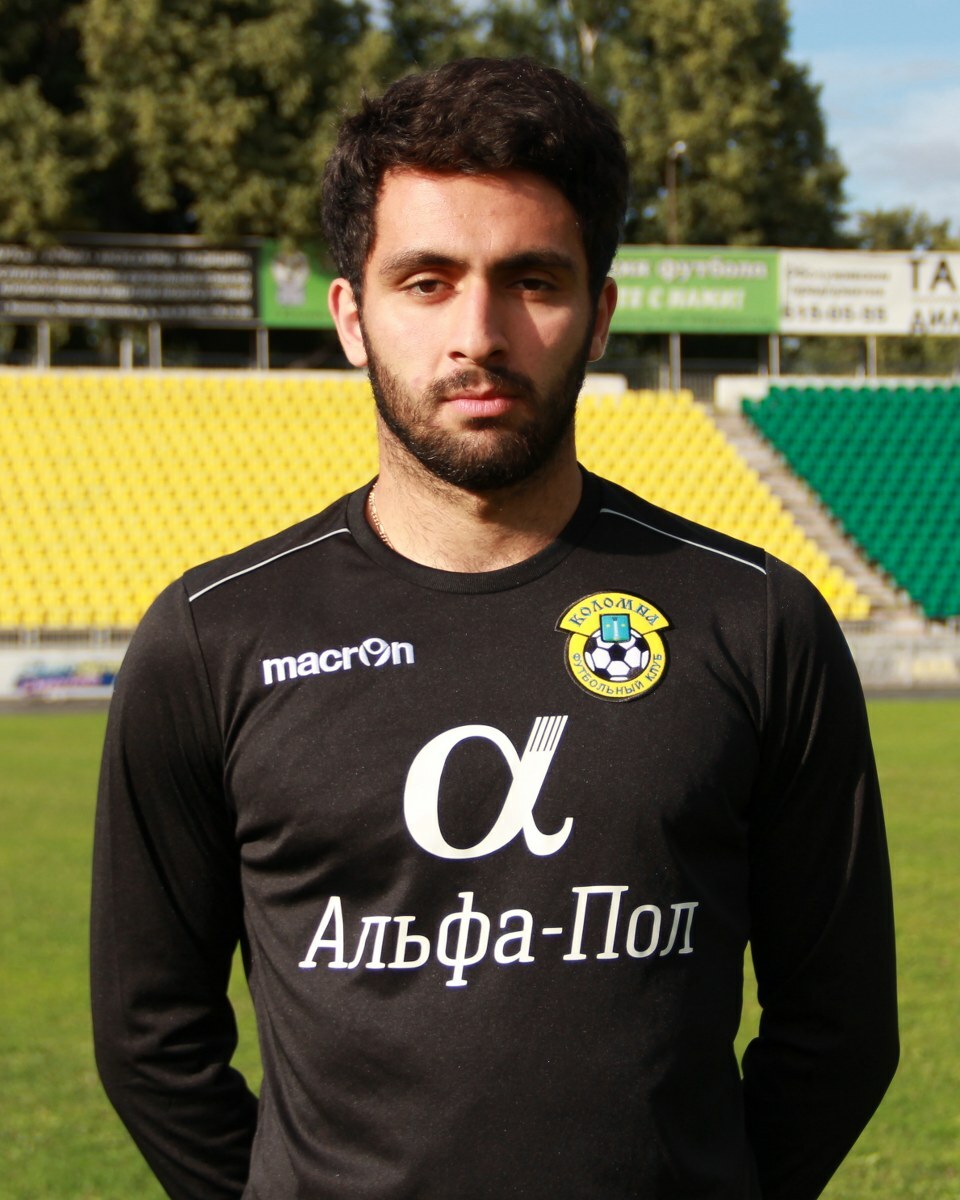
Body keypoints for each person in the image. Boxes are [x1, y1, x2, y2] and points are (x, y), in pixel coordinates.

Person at [91, 56, 898, 1200]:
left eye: (533, 280)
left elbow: (841, 1032)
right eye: (425, 281)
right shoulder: (212, 638)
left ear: (599, 315)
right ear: (352, 317)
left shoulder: (757, 620)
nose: (478, 332)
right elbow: (150, 1040)